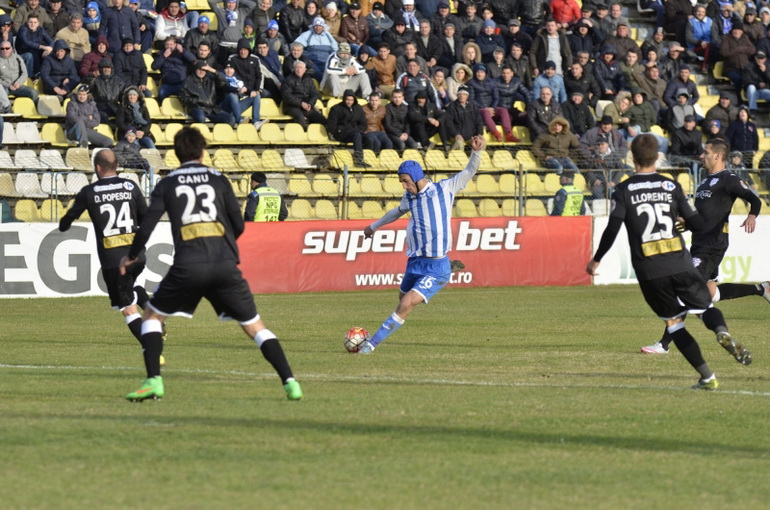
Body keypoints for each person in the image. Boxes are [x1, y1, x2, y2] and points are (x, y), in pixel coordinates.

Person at [119, 126, 303, 401]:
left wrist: (132, 255)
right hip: (224, 265)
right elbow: (239, 224)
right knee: (255, 326)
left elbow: (147, 225)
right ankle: (290, 382)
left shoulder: (167, 184)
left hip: (188, 266)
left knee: (152, 318)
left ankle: (154, 381)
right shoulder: (219, 179)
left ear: (177, 154)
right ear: (203, 152)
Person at [587, 134, 749, 390]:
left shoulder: (624, 189)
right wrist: (683, 220)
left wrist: (596, 260)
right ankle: (721, 331)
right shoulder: (671, 186)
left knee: (674, 323)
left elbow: (613, 228)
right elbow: (698, 224)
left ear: (633, 158)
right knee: (704, 306)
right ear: (657, 157)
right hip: (681, 261)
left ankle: (707, 377)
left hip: (651, 268)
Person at [356, 134, 485, 354]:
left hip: (435, 266)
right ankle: (444, 267)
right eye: (401, 182)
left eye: (406, 181)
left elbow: (469, 171)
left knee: (406, 304)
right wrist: (373, 227)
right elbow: (396, 212)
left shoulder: (445, 188)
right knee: (401, 300)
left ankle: (370, 344)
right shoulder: (410, 197)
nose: (404, 185)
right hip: (415, 262)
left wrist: (476, 152)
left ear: (416, 178)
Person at [640, 138, 765, 357]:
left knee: (684, 291)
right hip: (701, 243)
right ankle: (761, 289)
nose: (701, 156)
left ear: (718, 155)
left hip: (711, 246)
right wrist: (687, 223)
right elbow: (705, 215)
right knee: (711, 293)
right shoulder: (706, 181)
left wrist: (752, 216)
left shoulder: (728, 179)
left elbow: (754, 200)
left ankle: (664, 344)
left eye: (705, 152)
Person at [58, 149, 154, 362]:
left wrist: (64, 223)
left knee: (127, 309)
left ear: (98, 168)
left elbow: (68, 219)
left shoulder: (89, 192)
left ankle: (152, 347)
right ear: (116, 166)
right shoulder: (130, 186)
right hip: (137, 256)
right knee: (131, 288)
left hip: (114, 261)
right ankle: (151, 311)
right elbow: (146, 218)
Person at [179, 60, 238, 125]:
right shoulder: (188, 81)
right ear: (195, 70)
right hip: (197, 107)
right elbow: (182, 98)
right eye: (199, 69)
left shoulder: (210, 79)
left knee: (231, 119)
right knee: (201, 118)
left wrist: (214, 71)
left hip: (212, 109)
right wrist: (196, 100)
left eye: (204, 70)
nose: (202, 72)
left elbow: (223, 82)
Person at [327, 89, 370, 167]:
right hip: (341, 134)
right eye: (347, 100)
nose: (349, 102)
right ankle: (359, 160)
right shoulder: (336, 109)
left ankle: (368, 159)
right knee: (357, 136)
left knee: (369, 139)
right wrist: (340, 130)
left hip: (355, 131)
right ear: (344, 99)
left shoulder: (358, 108)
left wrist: (358, 129)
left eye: (351, 100)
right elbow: (331, 126)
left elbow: (363, 124)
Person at [281, 59, 326, 129]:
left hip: (306, 106)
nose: (298, 70)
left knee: (320, 118)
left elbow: (314, 94)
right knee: (300, 117)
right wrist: (301, 103)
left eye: (301, 67)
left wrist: (310, 104)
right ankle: (304, 133)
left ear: (305, 70)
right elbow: (287, 96)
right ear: (293, 69)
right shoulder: (288, 80)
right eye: (297, 67)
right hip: (291, 107)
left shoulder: (309, 80)